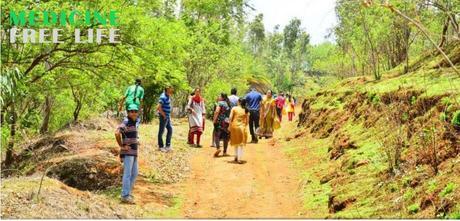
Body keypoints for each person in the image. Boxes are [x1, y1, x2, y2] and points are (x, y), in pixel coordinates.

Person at [115, 104, 140, 204]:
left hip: (134, 152)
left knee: (134, 173)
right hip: (128, 153)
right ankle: (125, 196)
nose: (133, 113)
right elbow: (117, 133)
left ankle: (127, 193)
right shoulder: (126, 122)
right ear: (128, 112)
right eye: (131, 111)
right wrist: (121, 146)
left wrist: (136, 141)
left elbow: (130, 135)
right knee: (128, 174)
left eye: (135, 111)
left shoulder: (134, 122)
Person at [229, 98, 249, 164]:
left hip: (234, 126)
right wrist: (245, 126)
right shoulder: (246, 110)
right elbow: (247, 121)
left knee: (235, 142)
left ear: (239, 102)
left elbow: (230, 118)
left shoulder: (234, 108)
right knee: (241, 143)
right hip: (242, 127)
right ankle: (239, 159)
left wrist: (229, 126)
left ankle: (236, 156)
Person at [213, 93, 231, 157]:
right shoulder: (228, 104)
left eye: (220, 96)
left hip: (219, 121)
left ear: (222, 97)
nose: (219, 97)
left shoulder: (220, 103)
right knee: (225, 136)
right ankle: (225, 152)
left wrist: (214, 119)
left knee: (217, 135)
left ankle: (218, 148)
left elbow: (217, 111)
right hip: (226, 122)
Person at [157, 85, 174, 152]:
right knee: (161, 131)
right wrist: (164, 115)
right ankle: (161, 146)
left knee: (170, 129)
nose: (172, 90)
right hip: (163, 117)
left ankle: (168, 145)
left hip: (167, 116)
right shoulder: (163, 97)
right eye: (171, 89)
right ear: (167, 89)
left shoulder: (168, 96)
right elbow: (158, 107)